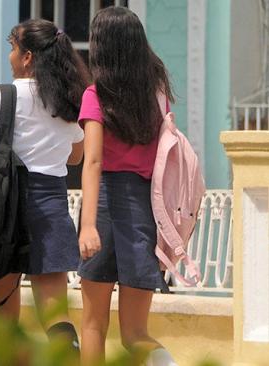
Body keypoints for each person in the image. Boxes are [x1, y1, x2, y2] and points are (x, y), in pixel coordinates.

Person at [0, 19, 89, 350]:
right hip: (51, 206)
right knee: (56, 316)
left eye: (13, 47)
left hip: (6, 209)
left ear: (28, 56)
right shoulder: (67, 98)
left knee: (3, 314)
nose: (10, 55)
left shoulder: (5, 95)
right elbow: (75, 157)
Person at [76, 7, 178, 366]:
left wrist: (87, 225)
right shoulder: (156, 94)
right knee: (136, 332)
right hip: (143, 208)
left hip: (103, 205)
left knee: (93, 324)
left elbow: (93, 161)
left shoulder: (96, 95)